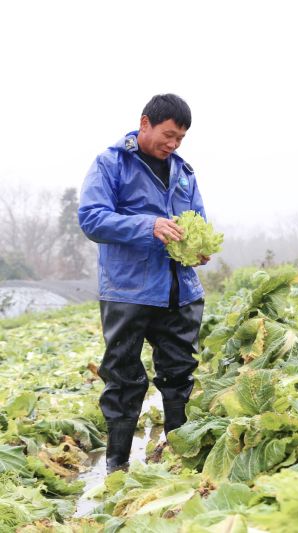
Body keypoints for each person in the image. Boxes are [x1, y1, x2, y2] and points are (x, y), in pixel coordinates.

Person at [78, 94, 210, 472]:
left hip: (180, 291)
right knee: (123, 379)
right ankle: (117, 465)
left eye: (180, 139)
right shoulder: (111, 164)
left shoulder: (184, 172)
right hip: (128, 291)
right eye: (168, 134)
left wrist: (199, 248)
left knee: (179, 374)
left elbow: (197, 218)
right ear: (145, 123)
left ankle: (179, 458)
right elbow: (92, 219)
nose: (172, 144)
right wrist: (147, 226)